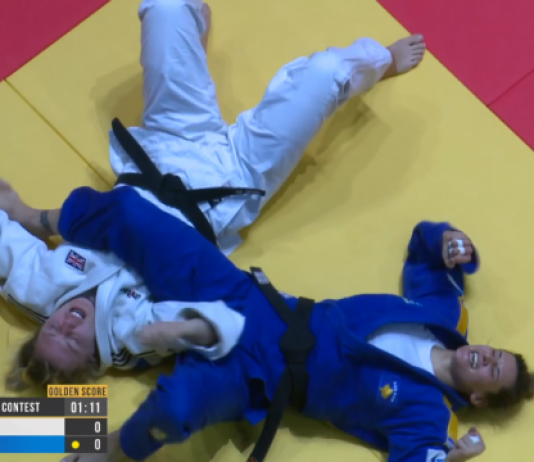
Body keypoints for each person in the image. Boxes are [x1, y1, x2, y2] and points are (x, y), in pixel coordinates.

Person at [1, 0, 426, 388]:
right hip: (228, 184)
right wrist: (183, 331)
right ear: (94, 357)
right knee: (326, 73)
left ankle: (194, 48)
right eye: (73, 341)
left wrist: (14, 213)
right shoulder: (134, 334)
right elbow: (218, 322)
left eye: (52, 330)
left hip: (161, 152)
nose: (66, 325)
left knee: (166, 8)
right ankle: (382, 61)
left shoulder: (41, 289)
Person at [22, 185, 532, 462]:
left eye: (492, 371)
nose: (486, 356)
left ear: (477, 398)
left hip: (257, 374)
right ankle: (30, 216)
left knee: (173, 409)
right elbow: (426, 249)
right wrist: (452, 240)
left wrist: (453, 459)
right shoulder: (444, 317)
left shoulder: (429, 416)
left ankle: (104, 449)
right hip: (248, 298)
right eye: (496, 353)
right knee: (130, 212)